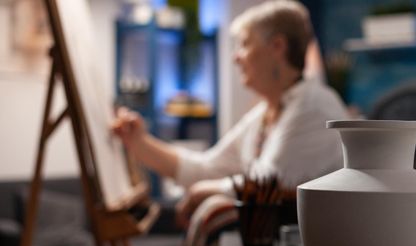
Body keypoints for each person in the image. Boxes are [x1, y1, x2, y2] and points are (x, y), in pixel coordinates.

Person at [112, 0, 348, 229]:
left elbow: (266, 185)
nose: (236, 57)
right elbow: (204, 169)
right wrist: (138, 143)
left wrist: (205, 192)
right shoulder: (265, 114)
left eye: (244, 44)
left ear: (277, 46)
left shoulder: (314, 107)